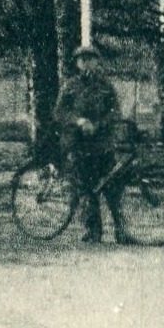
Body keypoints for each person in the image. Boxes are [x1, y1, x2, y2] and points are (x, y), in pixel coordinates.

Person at [55, 46, 132, 244]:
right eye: (82, 59)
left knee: (112, 188)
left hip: (102, 143)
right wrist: (78, 121)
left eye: (90, 59)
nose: (86, 63)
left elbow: (115, 112)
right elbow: (60, 112)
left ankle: (121, 231)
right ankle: (92, 231)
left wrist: (98, 125)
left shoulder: (106, 86)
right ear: (77, 63)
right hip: (79, 143)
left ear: (97, 62)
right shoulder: (70, 85)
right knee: (86, 188)